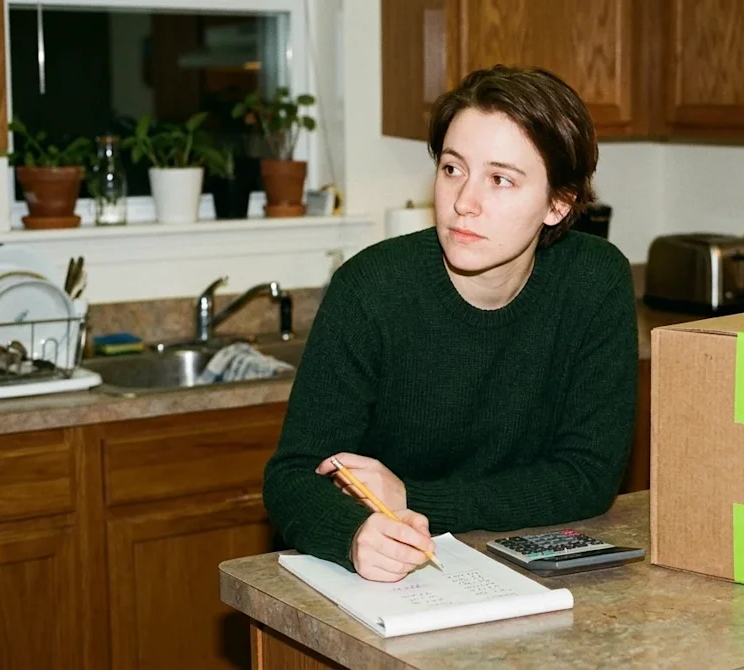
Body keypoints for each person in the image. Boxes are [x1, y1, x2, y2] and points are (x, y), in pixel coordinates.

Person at [262, 64, 639, 583]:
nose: (464, 202)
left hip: (520, 574)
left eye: (501, 179)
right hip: (388, 582)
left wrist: (413, 498)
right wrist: (351, 536)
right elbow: (292, 477)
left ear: (558, 202)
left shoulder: (596, 282)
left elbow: (587, 476)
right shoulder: (371, 289)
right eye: (452, 169)